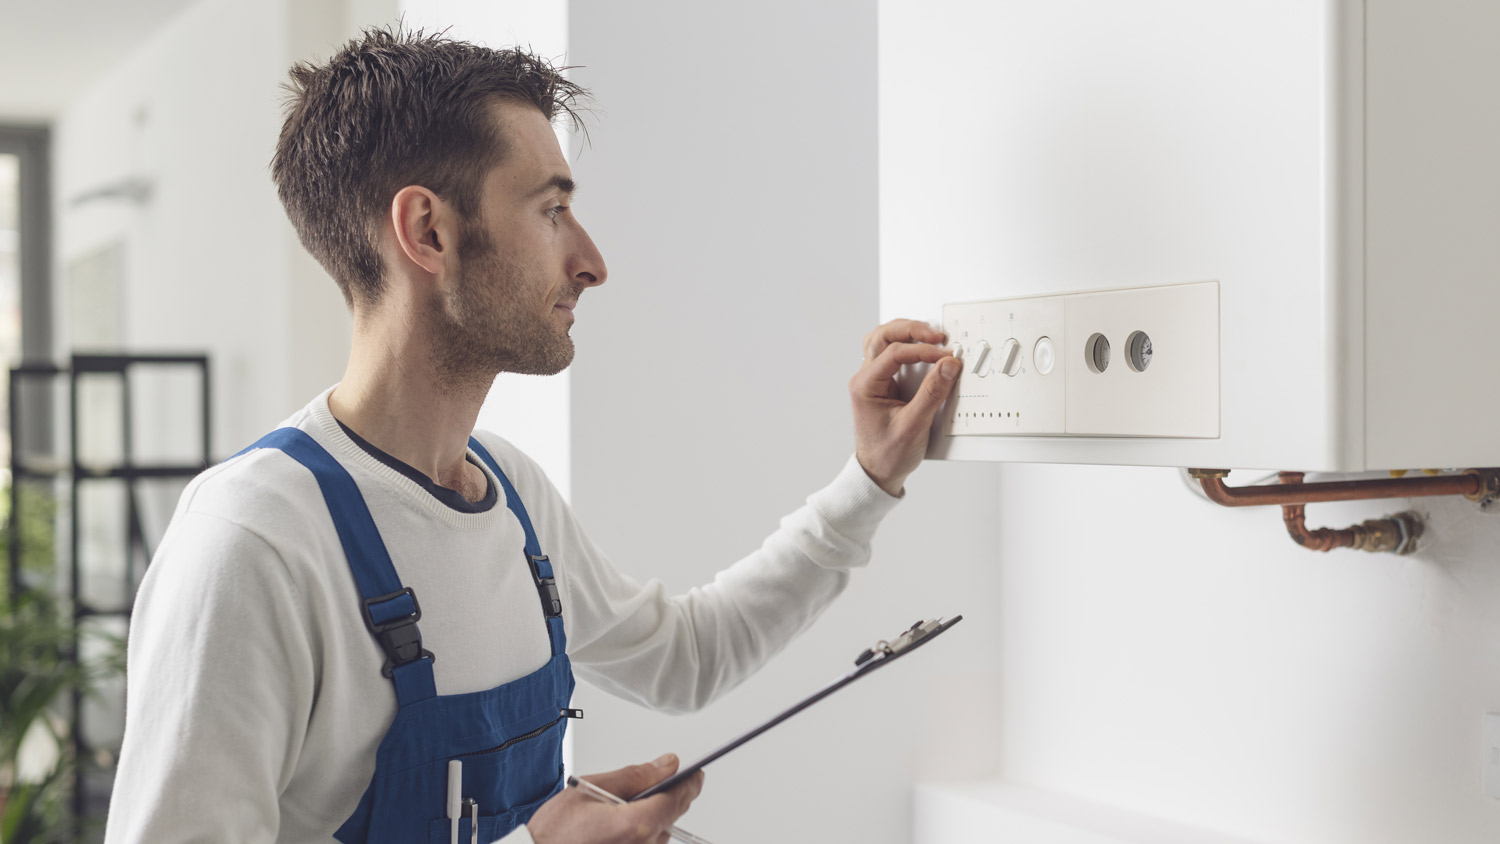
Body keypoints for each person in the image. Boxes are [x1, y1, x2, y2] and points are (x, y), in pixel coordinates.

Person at [103, 25, 960, 844]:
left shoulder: (508, 494)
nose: (590, 261)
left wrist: (870, 479)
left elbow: (688, 658)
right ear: (428, 231)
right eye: (552, 211)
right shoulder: (254, 544)